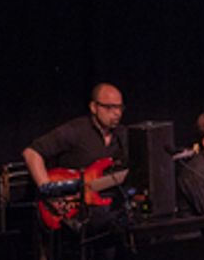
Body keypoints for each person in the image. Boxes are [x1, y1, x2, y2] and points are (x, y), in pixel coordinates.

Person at [22, 82, 129, 210]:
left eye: (120, 107)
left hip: (109, 207)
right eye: (110, 107)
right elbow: (31, 153)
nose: (117, 113)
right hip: (74, 210)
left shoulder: (123, 135)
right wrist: (50, 192)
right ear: (94, 107)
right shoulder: (76, 130)